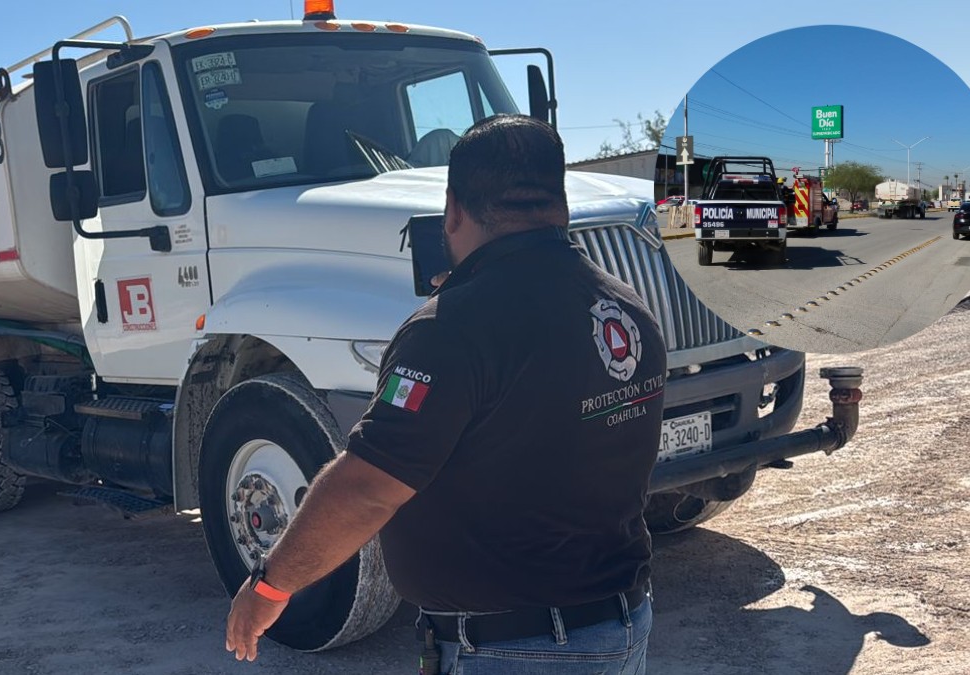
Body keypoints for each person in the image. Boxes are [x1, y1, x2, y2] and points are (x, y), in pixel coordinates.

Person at [224, 114, 668, 674]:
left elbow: (366, 488)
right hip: (618, 627)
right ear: (559, 200)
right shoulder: (626, 307)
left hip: (518, 649)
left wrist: (270, 587)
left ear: (453, 209)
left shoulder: (451, 329)